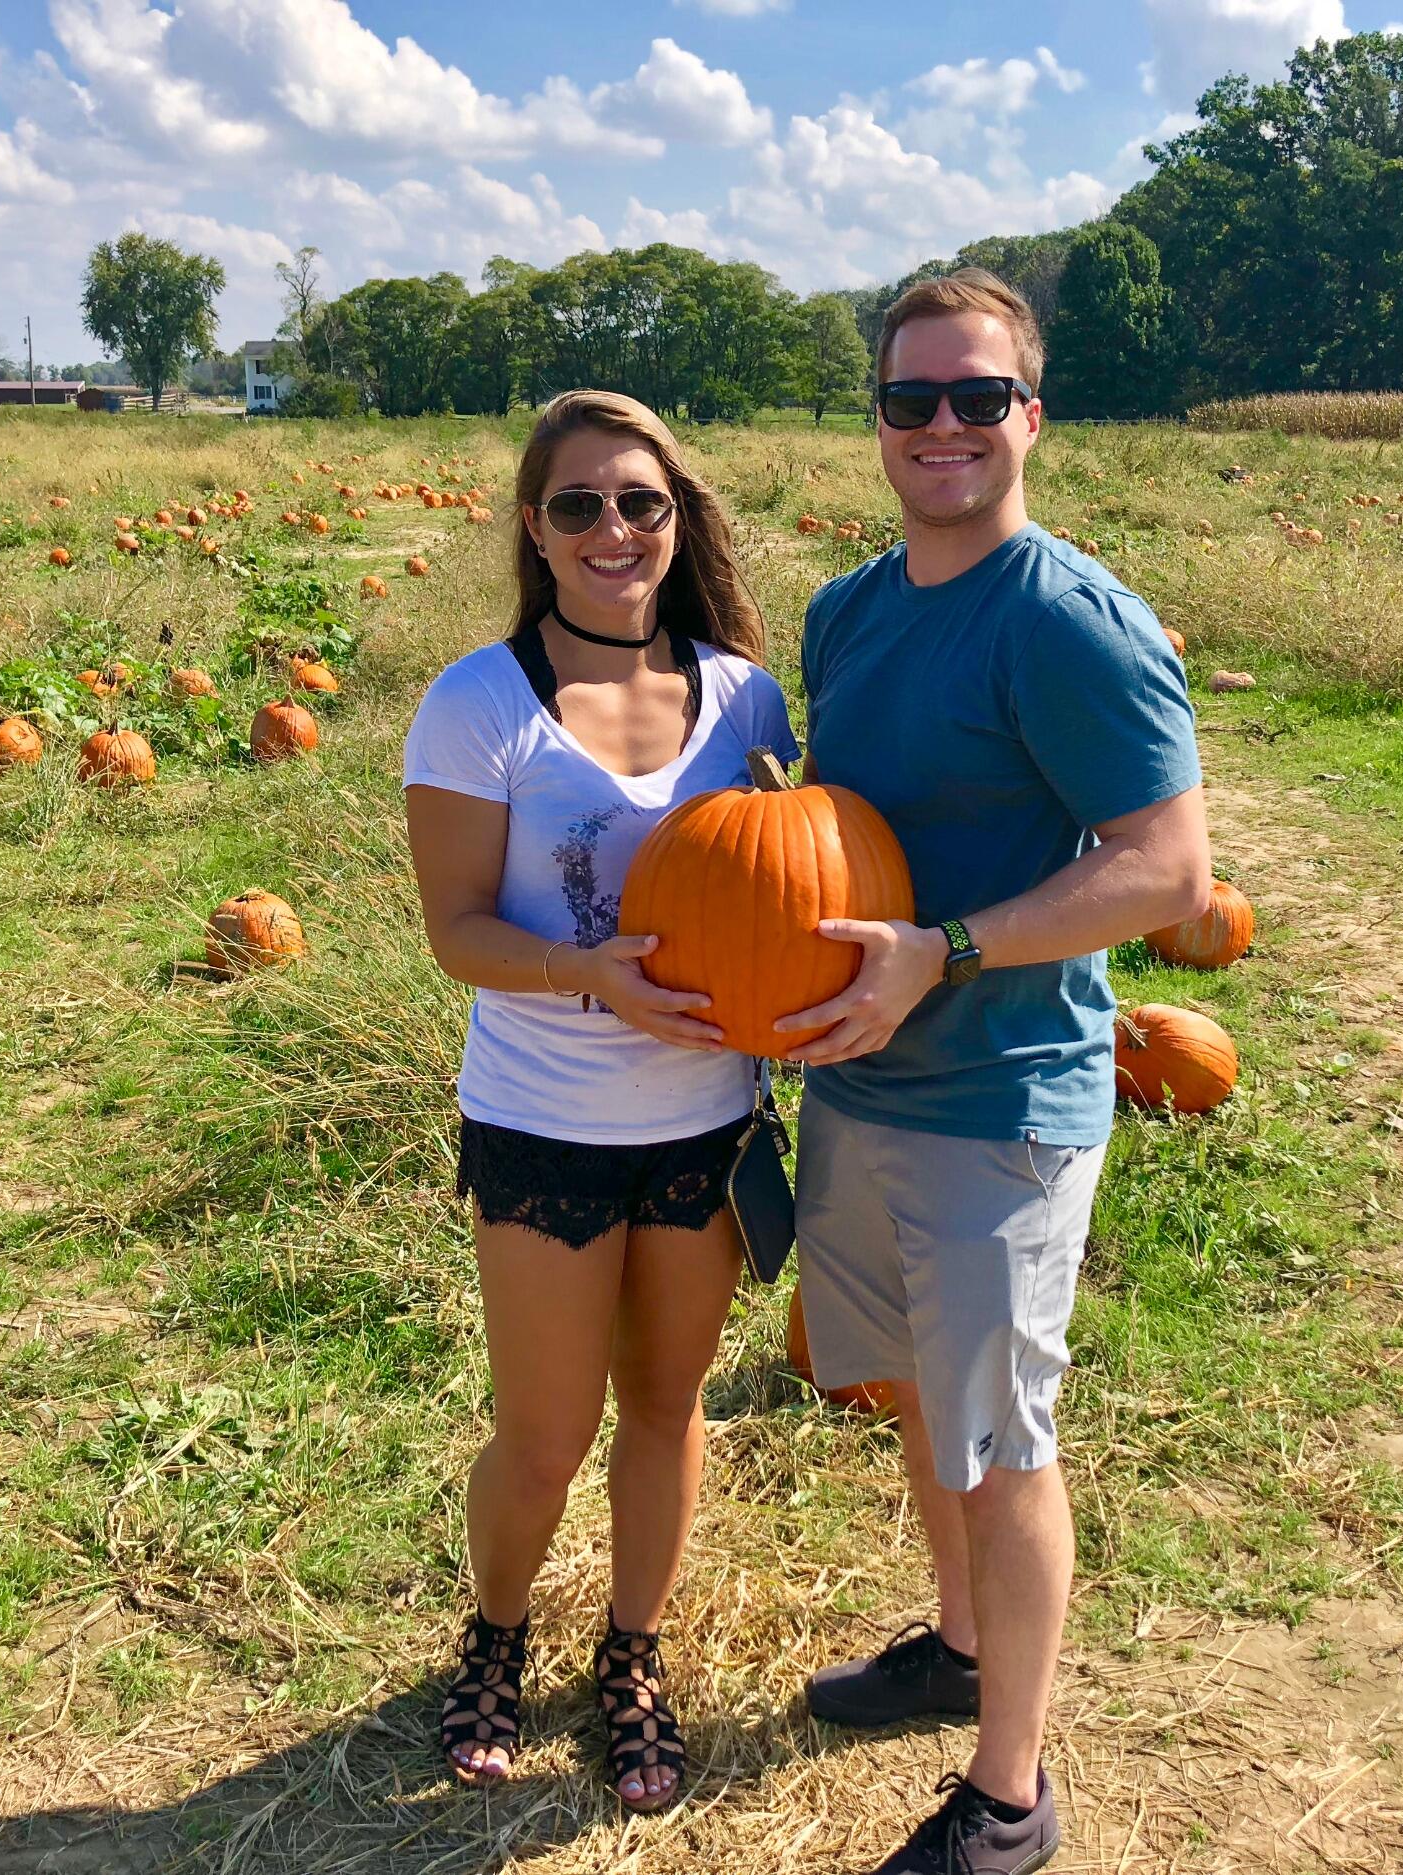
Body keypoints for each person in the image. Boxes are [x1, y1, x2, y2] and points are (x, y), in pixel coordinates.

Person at [774, 271, 1213, 1874]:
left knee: (1007, 1441)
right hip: (863, 1086)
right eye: (912, 400)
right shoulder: (847, 611)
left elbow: (1167, 870)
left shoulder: (1065, 619)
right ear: (879, 421)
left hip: (1001, 1099)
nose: (942, 426)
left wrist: (942, 954)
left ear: (1032, 415)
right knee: (918, 1400)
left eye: (977, 398)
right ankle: (955, 1645)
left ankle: (1011, 1795)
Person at [402, 389, 798, 1812]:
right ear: (535, 527)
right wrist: (594, 976)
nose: (614, 529)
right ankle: (496, 1638)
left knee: (668, 1405)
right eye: (580, 504)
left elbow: (783, 879)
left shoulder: (745, 693)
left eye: (642, 501)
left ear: (678, 518)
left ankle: (634, 1657)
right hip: (548, 1127)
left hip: (705, 1127)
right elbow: (457, 931)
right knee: (546, 1429)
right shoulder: (480, 702)